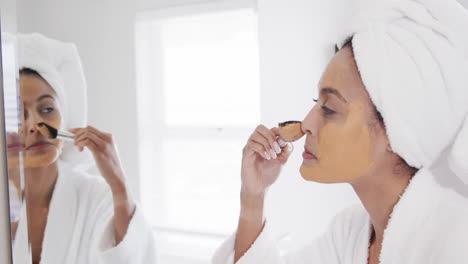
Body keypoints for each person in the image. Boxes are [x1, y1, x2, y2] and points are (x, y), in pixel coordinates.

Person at [212, 0, 468, 263]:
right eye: (316, 104)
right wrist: (253, 196)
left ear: (396, 130)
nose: (307, 124)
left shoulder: (457, 243)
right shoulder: (350, 233)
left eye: (330, 109)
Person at [9, 33, 157, 264]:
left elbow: (132, 258)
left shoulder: (97, 197)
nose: (35, 126)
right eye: (18, 115)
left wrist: (118, 183)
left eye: (47, 109)